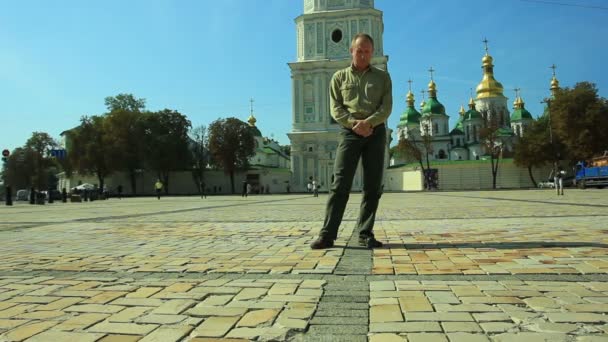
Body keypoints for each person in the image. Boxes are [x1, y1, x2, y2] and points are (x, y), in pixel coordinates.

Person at [310, 33, 392, 249]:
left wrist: (369, 123)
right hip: (349, 132)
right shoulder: (339, 77)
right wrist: (353, 123)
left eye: (367, 51)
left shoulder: (383, 77)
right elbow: (335, 107)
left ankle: (365, 233)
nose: (363, 55)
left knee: (373, 185)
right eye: (359, 50)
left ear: (372, 52)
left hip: (376, 132)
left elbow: (386, 107)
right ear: (351, 51)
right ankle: (327, 234)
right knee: (340, 183)